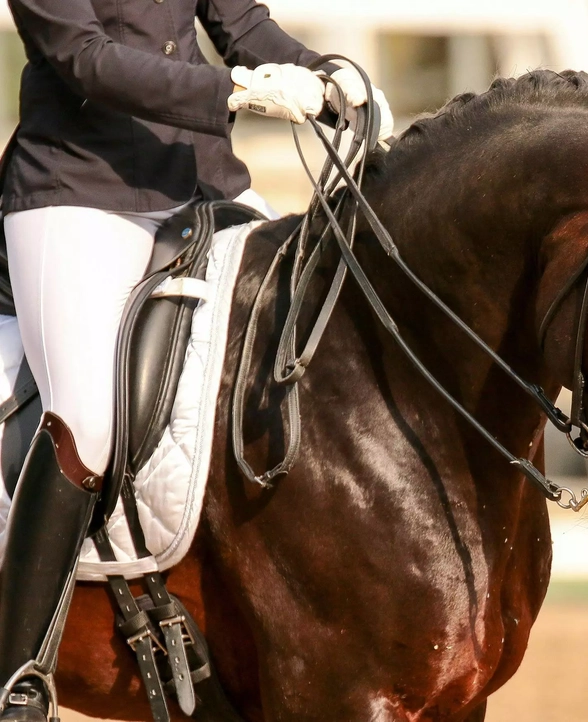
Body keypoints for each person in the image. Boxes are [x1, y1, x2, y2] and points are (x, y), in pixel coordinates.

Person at [0, 1, 393, 719]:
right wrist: (235, 93)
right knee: (85, 419)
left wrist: (330, 81)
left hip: (206, 184)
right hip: (84, 189)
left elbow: (244, 31)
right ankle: (20, 674)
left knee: (314, 351)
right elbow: (84, 58)